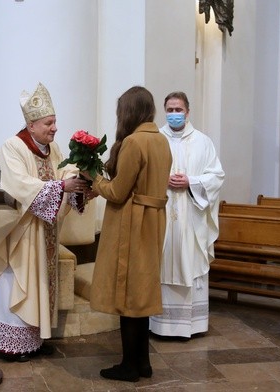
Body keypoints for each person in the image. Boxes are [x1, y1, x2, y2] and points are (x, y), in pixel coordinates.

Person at [0, 83, 89, 362]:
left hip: (43, 232)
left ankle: (33, 340)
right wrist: (62, 185)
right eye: (49, 123)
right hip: (17, 231)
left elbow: (65, 171)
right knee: (16, 282)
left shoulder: (53, 148)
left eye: (55, 122)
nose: (54, 128)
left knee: (38, 282)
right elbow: (19, 186)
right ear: (32, 124)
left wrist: (83, 175)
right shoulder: (12, 147)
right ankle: (11, 344)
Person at [86, 86, 172, 382]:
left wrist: (92, 177)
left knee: (127, 297)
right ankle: (143, 363)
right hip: (153, 222)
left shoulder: (134, 142)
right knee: (141, 295)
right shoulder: (161, 140)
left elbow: (118, 192)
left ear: (129, 111)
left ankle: (129, 366)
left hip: (132, 224)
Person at [149, 91, 224, 340]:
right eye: (169, 110)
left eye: (178, 110)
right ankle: (159, 324)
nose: (174, 114)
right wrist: (163, 180)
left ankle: (192, 325)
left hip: (192, 217)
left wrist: (191, 182)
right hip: (163, 215)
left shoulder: (203, 141)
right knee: (162, 261)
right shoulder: (155, 139)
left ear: (188, 112)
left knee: (191, 260)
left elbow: (216, 177)